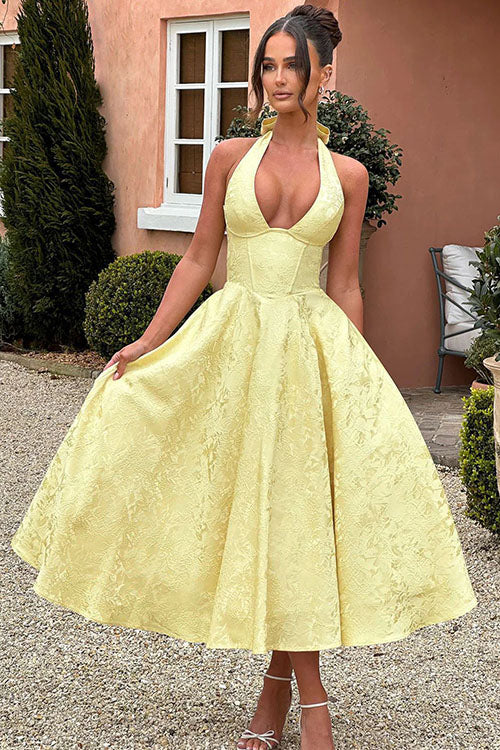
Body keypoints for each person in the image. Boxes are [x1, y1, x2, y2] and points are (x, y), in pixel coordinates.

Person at [11, 5, 478, 750]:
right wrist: (149, 340)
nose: (279, 78)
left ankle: (277, 699)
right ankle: (310, 705)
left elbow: (345, 283)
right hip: (235, 348)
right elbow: (200, 257)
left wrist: (354, 378)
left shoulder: (349, 175)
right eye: (269, 64)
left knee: (294, 520)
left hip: (310, 353)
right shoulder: (228, 157)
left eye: (294, 65)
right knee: (263, 518)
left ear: (326, 76)